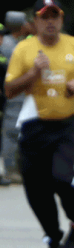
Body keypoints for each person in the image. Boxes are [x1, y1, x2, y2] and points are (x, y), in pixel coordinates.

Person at [3, 0, 74, 248]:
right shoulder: (24, 50)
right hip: (33, 125)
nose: (50, 22)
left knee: (61, 178)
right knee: (36, 189)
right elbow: (9, 89)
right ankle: (52, 236)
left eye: (55, 17)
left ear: (61, 19)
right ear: (35, 22)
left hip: (65, 125)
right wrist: (34, 74)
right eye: (44, 17)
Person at [1, 11, 32, 185]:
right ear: (20, 26)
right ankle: (11, 169)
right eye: (26, 22)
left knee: (17, 132)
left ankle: (16, 168)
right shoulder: (9, 46)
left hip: (18, 95)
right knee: (12, 133)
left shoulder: (13, 43)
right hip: (13, 95)